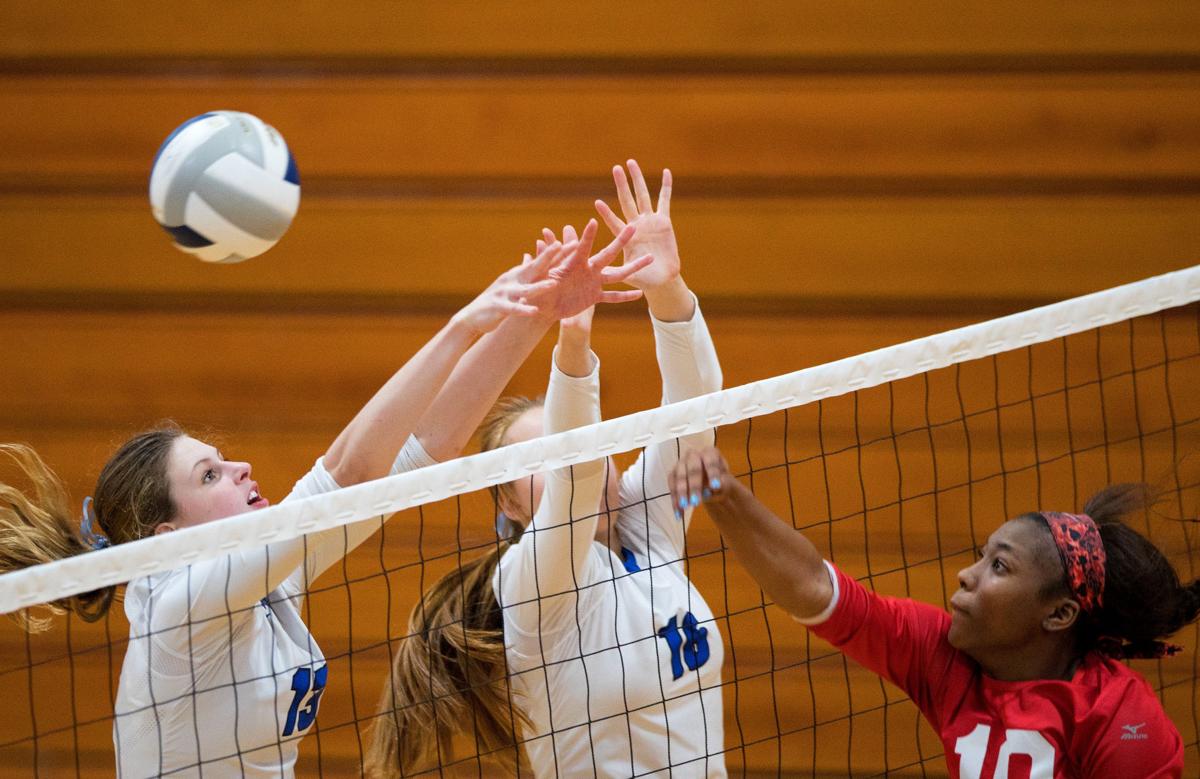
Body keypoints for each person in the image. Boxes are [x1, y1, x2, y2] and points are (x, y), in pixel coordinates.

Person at [0, 224, 650, 778]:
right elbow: (346, 468)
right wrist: (459, 326)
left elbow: (424, 447)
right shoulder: (179, 609)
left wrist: (535, 313)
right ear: (168, 533)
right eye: (209, 475)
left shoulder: (272, 579)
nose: (239, 467)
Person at [368, 161, 727, 778]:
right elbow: (576, 479)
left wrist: (666, 289)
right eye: (533, 461)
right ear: (508, 505)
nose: (566, 461)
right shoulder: (535, 583)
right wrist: (572, 345)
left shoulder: (650, 533)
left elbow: (695, 408)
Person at [667, 446, 1200, 778]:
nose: (967, 575)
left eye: (999, 567)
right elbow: (812, 588)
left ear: (1058, 615)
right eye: (980, 556)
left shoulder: (1123, 718)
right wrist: (725, 495)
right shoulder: (942, 653)